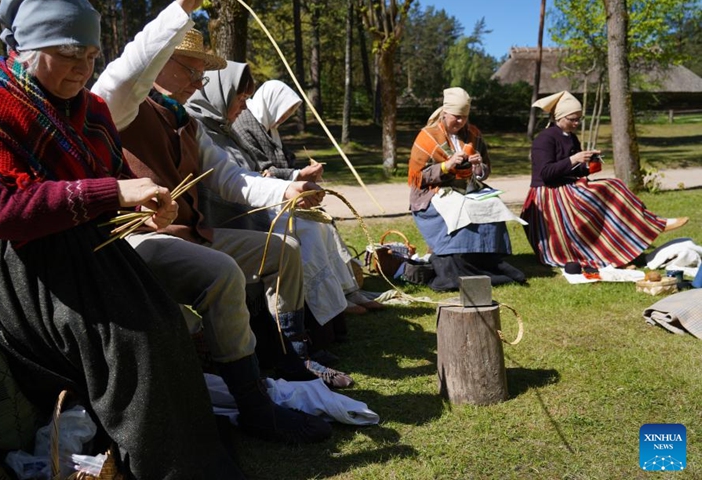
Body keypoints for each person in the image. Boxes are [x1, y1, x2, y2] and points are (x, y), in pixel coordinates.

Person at [0, 0, 246, 478]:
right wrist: (113, 192)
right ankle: (162, 459)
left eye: (91, 55)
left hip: (74, 241)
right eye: (69, 52)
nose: (83, 67)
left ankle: (180, 452)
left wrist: (145, 206)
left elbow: (110, 184)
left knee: (158, 323)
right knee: (128, 335)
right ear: (27, 48)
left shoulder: (90, 110)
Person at [91, 23, 354, 390]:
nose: (199, 83)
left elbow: (232, 179)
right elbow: (123, 73)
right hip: (141, 241)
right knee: (224, 270)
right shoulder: (124, 107)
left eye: (203, 74)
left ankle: (292, 352)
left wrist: (288, 188)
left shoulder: (189, 123)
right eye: (191, 70)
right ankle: (248, 392)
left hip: (194, 235)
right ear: (160, 62)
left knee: (285, 250)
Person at [229, 79, 382, 315]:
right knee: (310, 229)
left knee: (324, 224)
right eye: (285, 110)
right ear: (272, 103)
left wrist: (303, 171)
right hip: (261, 205)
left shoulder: (267, 125)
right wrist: (298, 174)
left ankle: (347, 291)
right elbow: (259, 171)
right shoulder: (245, 125)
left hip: (280, 199)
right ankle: (328, 302)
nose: (285, 117)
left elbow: (284, 162)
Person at [521, 91, 688, 269]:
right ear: (559, 116)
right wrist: (574, 159)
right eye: (572, 119)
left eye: (579, 119)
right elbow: (545, 173)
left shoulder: (571, 137)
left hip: (566, 186)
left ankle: (631, 240)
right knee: (610, 188)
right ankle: (651, 225)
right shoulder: (544, 138)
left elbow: (574, 171)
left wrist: (590, 165)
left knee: (613, 186)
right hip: (548, 194)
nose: (576, 123)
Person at [408, 87, 526, 291]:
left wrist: (478, 166)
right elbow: (418, 177)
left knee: (493, 205)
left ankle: (487, 260)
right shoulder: (427, 137)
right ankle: (456, 264)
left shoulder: (473, 134)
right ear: (445, 113)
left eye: (464, 117)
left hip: (469, 188)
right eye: (456, 117)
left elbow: (485, 170)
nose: (461, 122)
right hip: (433, 191)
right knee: (460, 209)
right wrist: (447, 165)